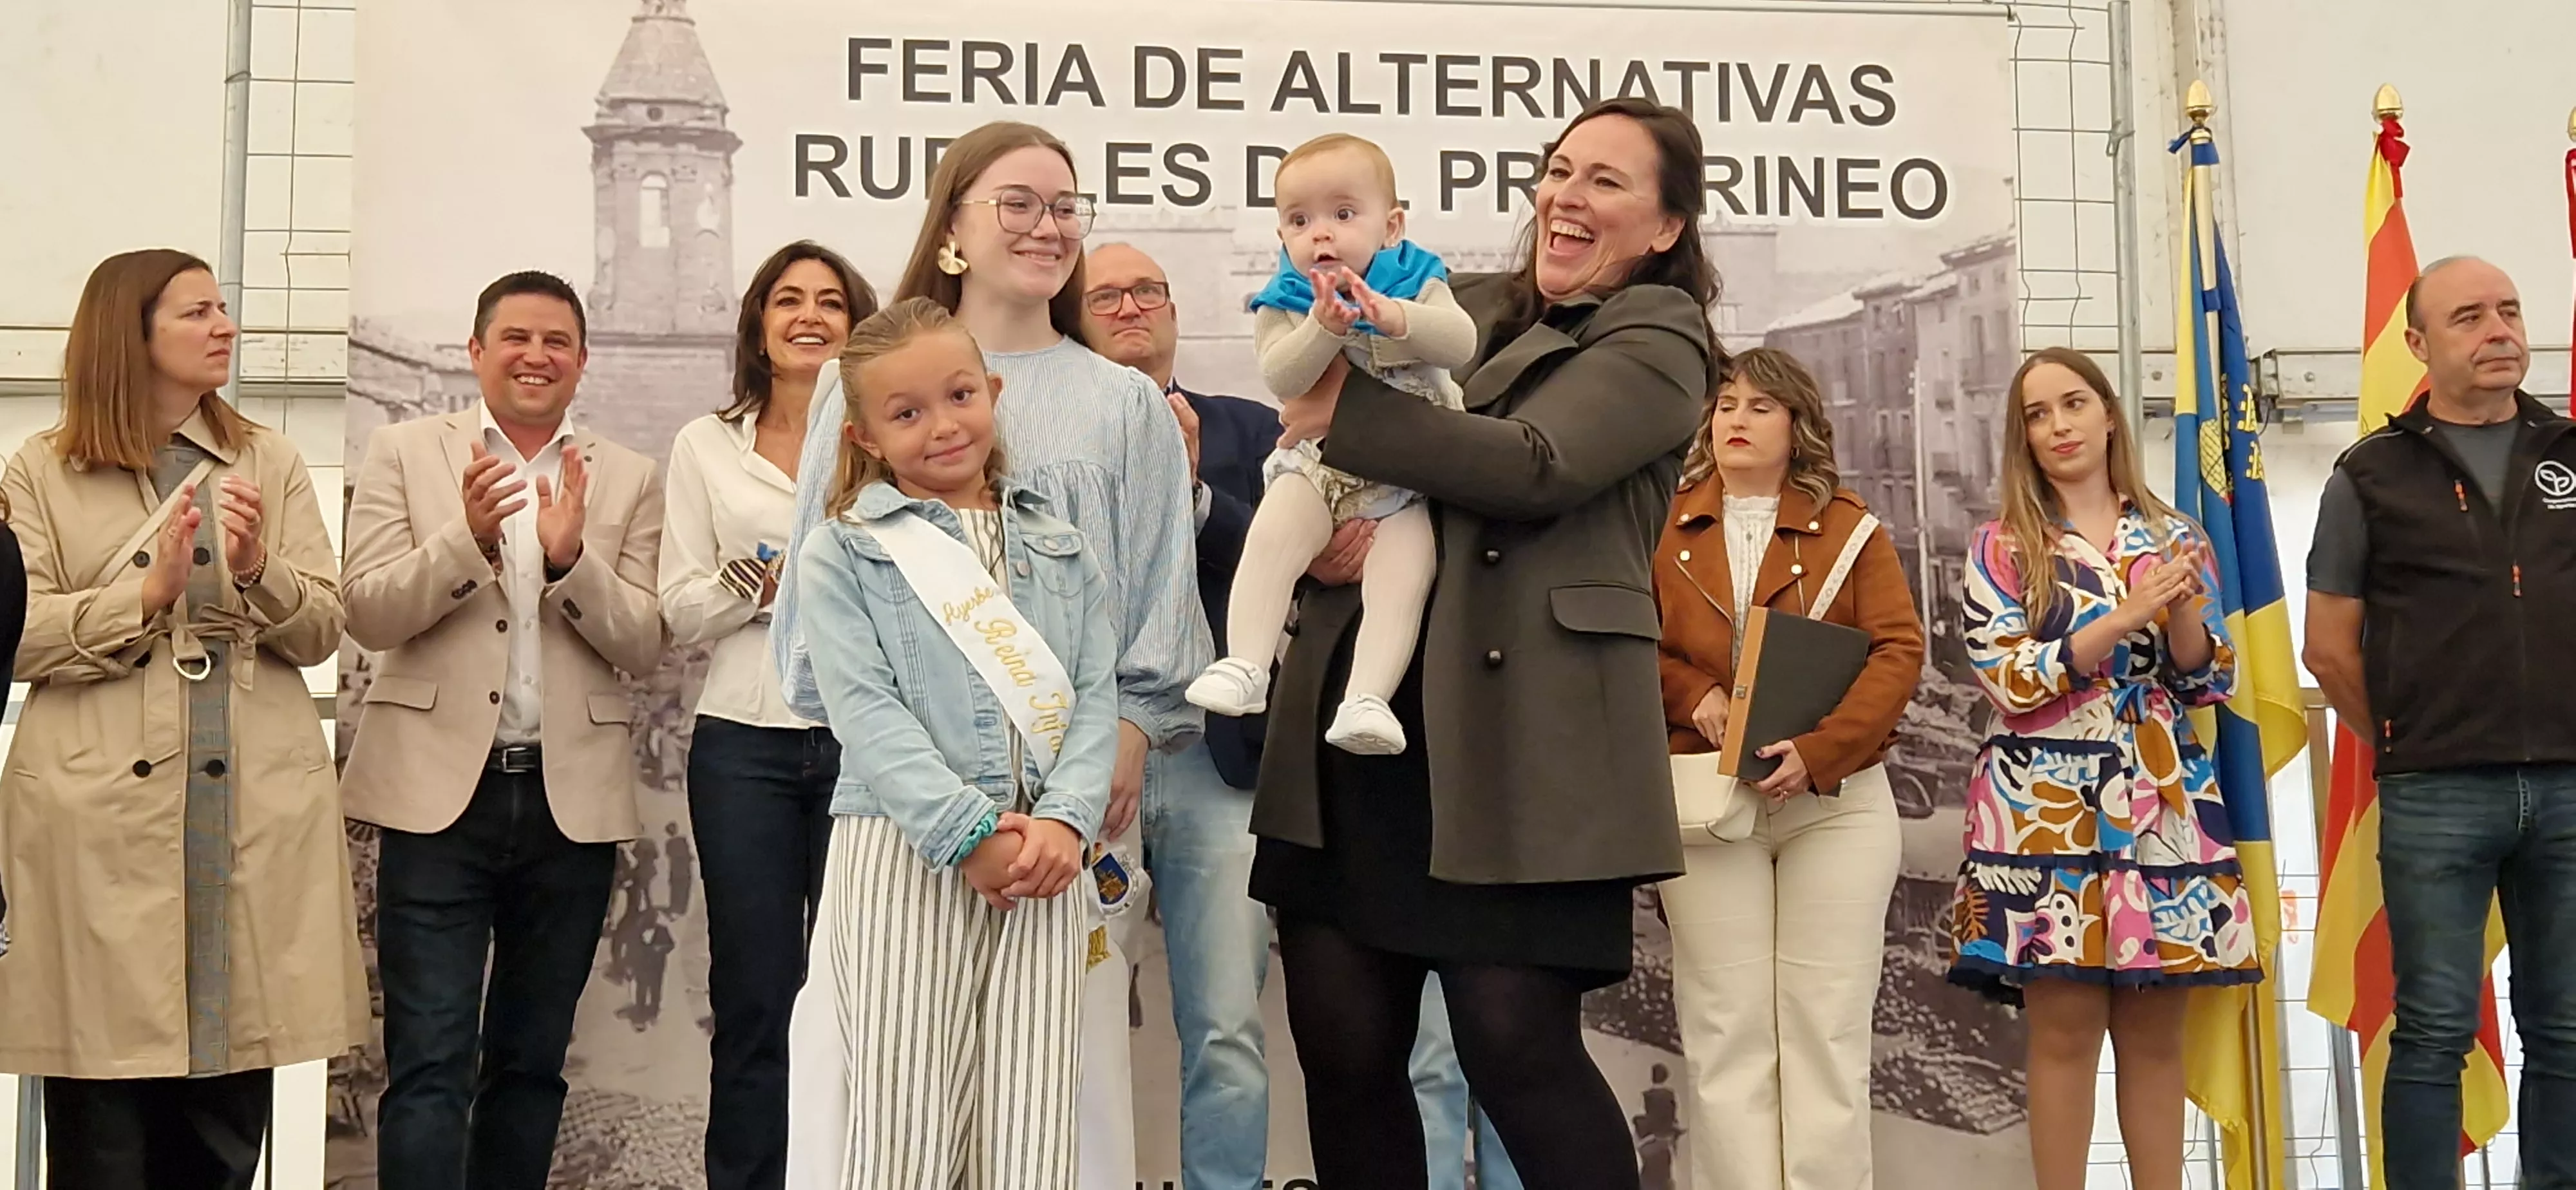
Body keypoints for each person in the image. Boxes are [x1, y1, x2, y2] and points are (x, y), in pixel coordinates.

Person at [1248, 96, 1722, 1189]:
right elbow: (1302, 408)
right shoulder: (1447, 301)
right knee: (1344, 1046)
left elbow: (1535, 463)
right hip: (1358, 718)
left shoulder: (1656, 336)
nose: (1567, 195)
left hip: (1521, 745)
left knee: (1517, 1048)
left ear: (1664, 226)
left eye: (1607, 180)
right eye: (1560, 169)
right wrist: (1322, 518)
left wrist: (1350, 424)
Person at [771, 120, 1206, 1190]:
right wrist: (948, 808)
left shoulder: (1126, 403)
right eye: (1018, 201)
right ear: (955, 223)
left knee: (1058, 1091)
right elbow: (817, 654)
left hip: (1077, 810)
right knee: (887, 1095)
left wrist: (1123, 747)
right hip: (905, 817)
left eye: (1066, 204)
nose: (1048, 224)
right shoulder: (855, 382)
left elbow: (1157, 605)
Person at [1078, 240, 1520, 1190]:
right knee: (1069, 1023)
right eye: (1104, 294)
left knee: (1228, 1024)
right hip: (1081, 755)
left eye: (1148, 289)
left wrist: (1196, 494)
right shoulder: (1031, 437)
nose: (1129, 307)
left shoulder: (1260, 423)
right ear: (1074, 317)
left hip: (1221, 759)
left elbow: (1328, 552)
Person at [0, 247, 365, 1187]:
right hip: (97, 820)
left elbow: (326, 624)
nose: (226, 328)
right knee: (102, 1124)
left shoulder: (268, 457)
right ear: (134, 334)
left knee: (223, 1113)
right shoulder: (40, 468)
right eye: (198, 313)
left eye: (223, 308)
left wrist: (252, 571)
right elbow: (14, 633)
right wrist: (145, 594)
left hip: (245, 804)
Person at [341, 270, 668, 1190]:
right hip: (436, 801)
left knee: (529, 1066)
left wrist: (571, 561)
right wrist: (468, 540)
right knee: (431, 1062)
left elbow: (644, 642)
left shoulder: (629, 475)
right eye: (516, 338)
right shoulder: (405, 453)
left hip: (569, 807)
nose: (537, 356)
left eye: (556, 342)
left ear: (582, 361)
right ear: (477, 351)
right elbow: (365, 613)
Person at [782, 296, 1115, 1187]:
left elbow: (1093, 696)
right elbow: (865, 713)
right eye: (906, 413)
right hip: (907, 853)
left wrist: (1067, 824)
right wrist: (969, 835)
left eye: (960, 395)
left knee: (1034, 1126)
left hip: (1045, 861)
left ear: (993, 391)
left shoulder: (1062, 545)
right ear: (862, 437)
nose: (943, 426)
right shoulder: (844, 552)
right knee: (908, 1126)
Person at [1946, 346, 2258, 1190]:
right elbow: (2011, 679)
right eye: (2037, 415)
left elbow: (2205, 676)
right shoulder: (2000, 545)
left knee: (2156, 1039)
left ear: (2109, 414)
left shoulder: (2175, 534)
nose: (2058, 427)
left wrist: (2183, 609)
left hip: (2163, 794)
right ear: (2023, 439)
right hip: (2041, 802)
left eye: (2072, 404)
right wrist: (2123, 617)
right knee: (2065, 1031)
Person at [2302, 256, 2576, 1189]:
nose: (2499, 330)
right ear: (2418, 345)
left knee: (2568, 1026)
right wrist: (2407, 741)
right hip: (2436, 794)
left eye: (2509, 310)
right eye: (2470, 317)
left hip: (2572, 787)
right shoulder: (2371, 475)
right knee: (2430, 1028)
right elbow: (2329, 647)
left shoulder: (2571, 451)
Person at [1653, 347, 1924, 1190]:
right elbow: (1622, 643)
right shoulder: (1662, 526)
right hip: (1707, 802)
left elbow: (1898, 650)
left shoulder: (1853, 529)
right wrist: (1694, 695)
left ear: (1799, 425)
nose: (1736, 418)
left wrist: (1819, 751)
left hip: (1836, 808)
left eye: (1760, 407)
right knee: (1725, 1032)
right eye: (1726, 402)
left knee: (1826, 1032)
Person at [659, 239, 874, 1190]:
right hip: (743, 743)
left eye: (831, 302)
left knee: (859, 994)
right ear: (758, 324)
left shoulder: (887, 437)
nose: (809, 316)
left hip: (872, 742)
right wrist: (771, 581)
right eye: (788, 300)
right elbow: (682, 608)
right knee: (753, 998)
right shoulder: (705, 445)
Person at [1186, 133, 1479, 755]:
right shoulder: (1286, 300)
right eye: (1300, 220)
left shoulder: (1419, 281)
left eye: (1343, 215)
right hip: (1319, 469)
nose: (1321, 235)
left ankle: (1368, 697)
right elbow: (1283, 379)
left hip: (1407, 483)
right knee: (1271, 537)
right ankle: (1246, 662)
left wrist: (1394, 318)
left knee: (1404, 578)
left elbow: (1459, 344)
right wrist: (1323, 328)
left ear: (1392, 225)